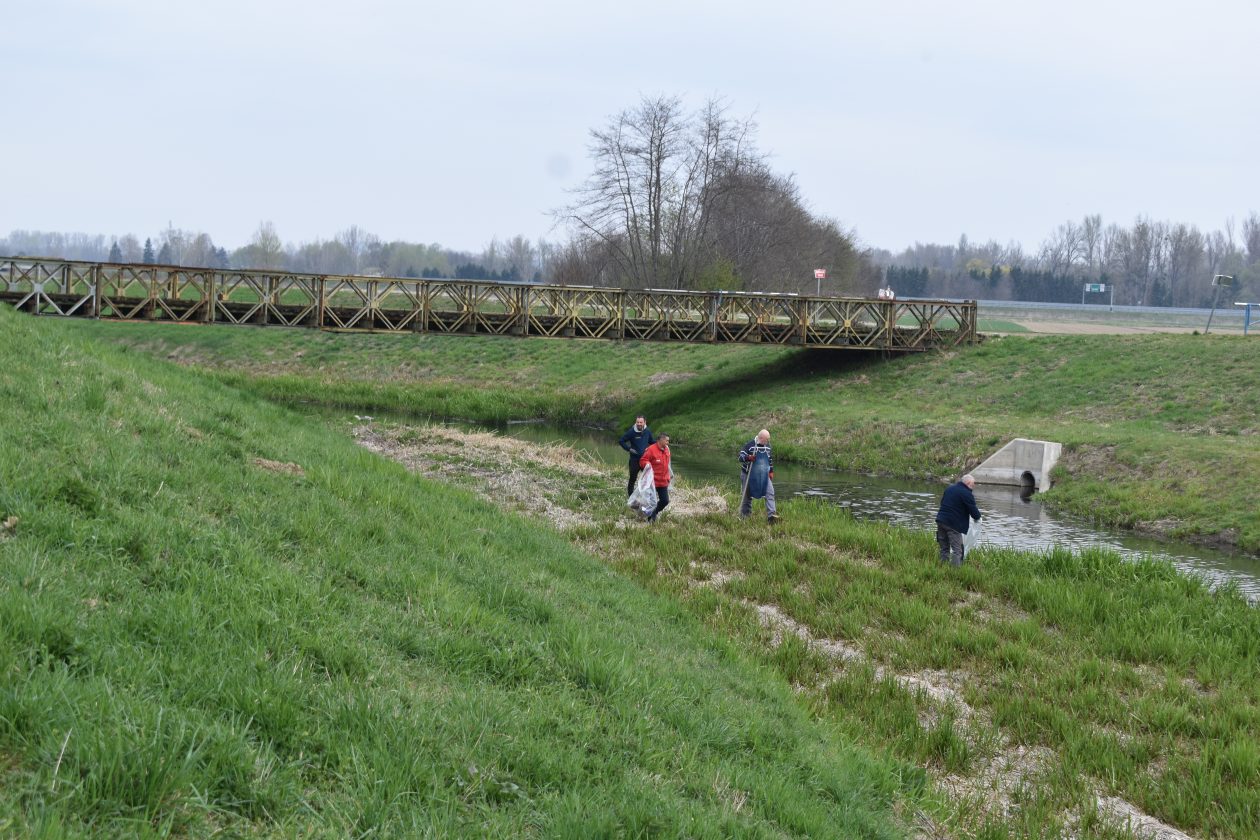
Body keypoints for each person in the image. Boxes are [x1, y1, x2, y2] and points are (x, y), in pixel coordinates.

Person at [935, 473, 982, 566]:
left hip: (940, 520)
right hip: (953, 525)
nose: (973, 487)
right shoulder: (966, 493)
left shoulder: (950, 488)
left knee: (944, 548)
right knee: (958, 550)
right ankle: (955, 573)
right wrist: (978, 518)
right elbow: (974, 512)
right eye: (973, 485)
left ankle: (942, 567)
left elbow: (943, 503)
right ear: (968, 483)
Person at [738, 429, 779, 523]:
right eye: (767, 439)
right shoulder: (749, 445)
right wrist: (748, 457)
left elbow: (769, 459)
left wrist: (771, 471)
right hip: (748, 474)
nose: (768, 441)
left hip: (764, 475)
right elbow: (740, 457)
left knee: (770, 493)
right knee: (747, 496)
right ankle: (745, 516)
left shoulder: (767, 446)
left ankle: (771, 516)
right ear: (761, 438)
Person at [618, 415, 654, 498]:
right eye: (637, 422)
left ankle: (648, 497)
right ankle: (631, 498)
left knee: (648, 479)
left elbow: (652, 442)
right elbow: (621, 441)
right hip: (634, 460)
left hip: (645, 460)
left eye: (641, 422)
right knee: (632, 479)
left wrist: (661, 444)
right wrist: (629, 449)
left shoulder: (647, 431)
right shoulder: (631, 432)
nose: (639, 424)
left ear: (645, 422)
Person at [639, 433, 672, 523]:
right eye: (666, 440)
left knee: (665, 501)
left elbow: (668, 465)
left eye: (668, 441)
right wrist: (647, 464)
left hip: (663, 481)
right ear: (660, 440)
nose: (668, 442)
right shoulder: (651, 449)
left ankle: (654, 513)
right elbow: (642, 460)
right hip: (652, 482)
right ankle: (649, 516)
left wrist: (669, 476)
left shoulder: (667, 450)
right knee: (650, 502)